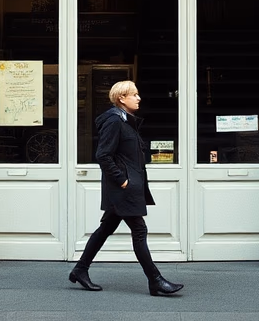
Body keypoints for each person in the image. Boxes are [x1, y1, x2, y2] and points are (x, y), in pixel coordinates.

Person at [68, 80, 184, 296]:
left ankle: (80, 269)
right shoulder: (114, 121)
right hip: (122, 189)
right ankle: (155, 280)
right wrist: (122, 180)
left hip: (125, 188)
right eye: (135, 94)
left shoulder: (125, 121)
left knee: (106, 228)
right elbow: (103, 155)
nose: (139, 98)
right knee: (139, 230)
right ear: (122, 98)